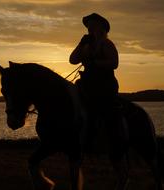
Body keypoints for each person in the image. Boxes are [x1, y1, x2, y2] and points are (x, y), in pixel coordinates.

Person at [69, 13, 128, 155]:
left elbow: (114, 63)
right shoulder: (86, 45)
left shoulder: (107, 44)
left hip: (104, 84)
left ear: (101, 28)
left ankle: (104, 137)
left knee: (99, 107)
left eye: (92, 26)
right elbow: (72, 60)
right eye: (88, 26)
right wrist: (81, 44)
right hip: (86, 82)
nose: (89, 29)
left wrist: (95, 63)